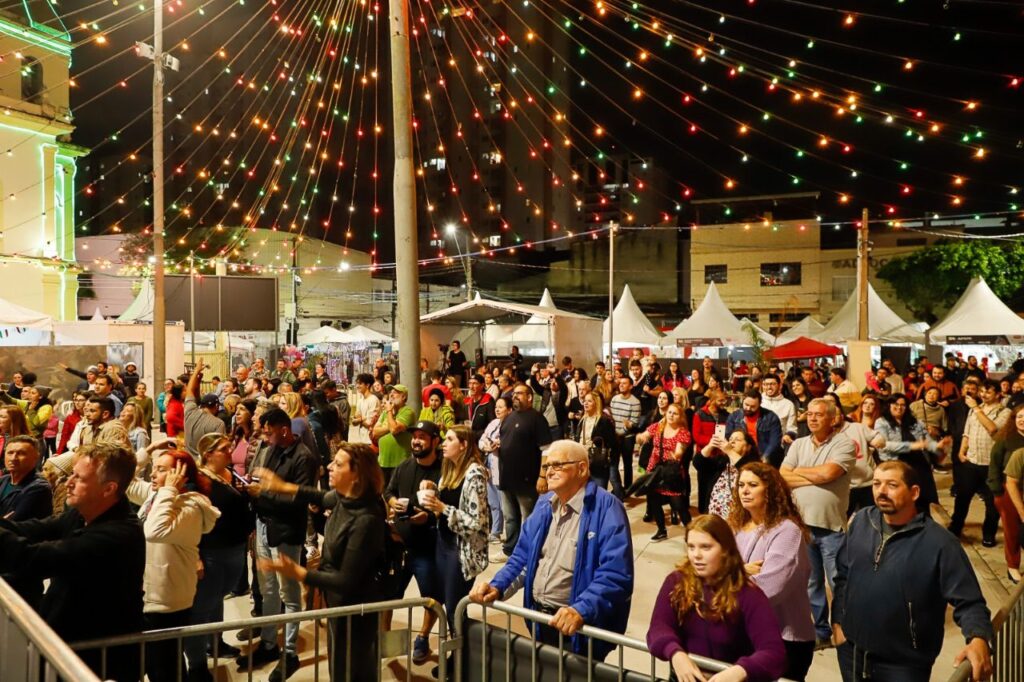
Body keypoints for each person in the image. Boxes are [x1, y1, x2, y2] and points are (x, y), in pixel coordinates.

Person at [470, 440, 633, 659]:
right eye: (547, 466)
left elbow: (615, 576)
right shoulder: (544, 504)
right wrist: (497, 586)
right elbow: (522, 558)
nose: (549, 472)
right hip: (539, 621)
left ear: (582, 468)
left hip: (579, 629)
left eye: (558, 465)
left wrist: (580, 610)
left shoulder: (608, 509)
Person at [832, 461, 994, 682]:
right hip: (852, 653)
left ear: (914, 492)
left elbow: (970, 602)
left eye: (892, 485)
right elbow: (842, 575)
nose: (881, 491)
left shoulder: (939, 543)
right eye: (877, 483)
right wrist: (838, 624)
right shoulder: (862, 521)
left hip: (903, 666)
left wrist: (978, 638)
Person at [0, 443, 145, 682]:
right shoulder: (82, 513)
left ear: (109, 489)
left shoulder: (118, 534)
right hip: (67, 645)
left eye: (79, 478)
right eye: (71, 475)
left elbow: (32, 558)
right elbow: (31, 529)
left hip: (95, 661)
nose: (68, 482)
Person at [255, 443, 387, 682]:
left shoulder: (366, 519)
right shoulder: (344, 497)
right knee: (338, 666)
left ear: (356, 475)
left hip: (356, 610)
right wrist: (282, 486)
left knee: (352, 671)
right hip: (338, 605)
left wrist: (297, 572)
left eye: (338, 464)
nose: (329, 467)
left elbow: (345, 580)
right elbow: (320, 496)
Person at [646, 514, 787, 682]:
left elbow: (773, 652)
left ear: (725, 550)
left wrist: (740, 671)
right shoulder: (676, 582)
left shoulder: (749, 595)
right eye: (691, 547)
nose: (696, 555)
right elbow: (658, 628)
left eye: (706, 547)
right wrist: (675, 654)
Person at [241, 407, 319, 677]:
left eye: (269, 431)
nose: (265, 436)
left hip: (285, 531)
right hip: (264, 524)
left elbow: (298, 500)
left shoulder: (304, 458)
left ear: (283, 430)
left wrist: (264, 493)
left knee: (289, 593)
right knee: (267, 588)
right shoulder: (271, 449)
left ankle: (289, 652)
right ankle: (268, 642)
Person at [780, 398, 856, 649]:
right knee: (811, 582)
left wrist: (800, 472)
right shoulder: (799, 443)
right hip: (802, 527)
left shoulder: (844, 444)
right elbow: (782, 476)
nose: (811, 418)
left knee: (838, 582)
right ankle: (821, 629)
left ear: (833, 419)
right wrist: (816, 477)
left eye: (818, 414)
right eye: (809, 414)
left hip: (831, 527)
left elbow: (829, 474)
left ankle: (844, 629)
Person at [139, 450, 219, 682]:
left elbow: (154, 531)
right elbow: (125, 482)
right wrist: (149, 453)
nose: (153, 474)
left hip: (168, 600)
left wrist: (169, 489)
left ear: (180, 475)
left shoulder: (189, 508)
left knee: (166, 669)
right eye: (154, 468)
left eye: (161, 469)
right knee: (158, 666)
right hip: (151, 596)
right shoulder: (157, 496)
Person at [730, 463, 816, 681]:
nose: (744, 491)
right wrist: (741, 571)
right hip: (746, 633)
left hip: (785, 639)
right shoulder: (738, 526)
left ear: (770, 490)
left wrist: (729, 576)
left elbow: (768, 589)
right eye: (741, 485)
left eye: (752, 485)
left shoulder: (787, 531)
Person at [185, 434, 256, 681]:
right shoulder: (199, 481)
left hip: (235, 548)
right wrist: (196, 557)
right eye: (224, 449)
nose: (230, 451)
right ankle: (196, 665)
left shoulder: (228, 475)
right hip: (212, 551)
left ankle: (214, 643)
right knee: (202, 607)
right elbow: (192, 521)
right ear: (208, 454)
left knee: (217, 600)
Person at [419, 425, 489, 642]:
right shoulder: (449, 470)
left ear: (464, 445)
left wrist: (442, 508)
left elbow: (476, 522)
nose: (443, 444)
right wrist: (433, 490)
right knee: (449, 606)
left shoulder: (475, 474)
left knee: (454, 608)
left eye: (450, 439)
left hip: (461, 551)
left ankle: (460, 661)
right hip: (444, 543)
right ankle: (457, 657)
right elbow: (449, 502)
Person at [383, 420, 444, 664]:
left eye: (422, 437)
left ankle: (422, 637)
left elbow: (448, 506)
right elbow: (388, 491)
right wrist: (392, 502)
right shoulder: (404, 466)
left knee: (431, 596)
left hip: (427, 546)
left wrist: (426, 517)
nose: (416, 441)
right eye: (414, 436)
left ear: (435, 441)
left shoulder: (444, 471)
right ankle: (387, 641)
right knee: (388, 596)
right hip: (398, 545)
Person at [950, 379, 1009, 547]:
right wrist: (962, 451)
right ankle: (955, 528)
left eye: (988, 392)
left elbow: (992, 429)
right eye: (981, 391)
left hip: (992, 465)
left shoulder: (1004, 412)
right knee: (962, 498)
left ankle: (988, 533)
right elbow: (967, 433)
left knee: (992, 503)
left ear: (998, 394)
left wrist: (975, 408)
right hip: (971, 461)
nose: (983, 395)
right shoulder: (975, 410)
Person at [496, 383, 552, 556]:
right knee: (510, 518)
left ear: (529, 397)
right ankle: (510, 550)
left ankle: (529, 551)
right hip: (507, 477)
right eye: (513, 394)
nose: (515, 397)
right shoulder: (509, 418)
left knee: (528, 519)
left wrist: (542, 476)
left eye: (519, 394)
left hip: (526, 479)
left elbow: (547, 450)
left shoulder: (537, 419)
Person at [875, 395, 947, 512]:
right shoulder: (881, 422)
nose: (899, 407)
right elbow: (884, 445)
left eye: (902, 405)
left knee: (922, 501)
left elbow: (927, 442)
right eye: (895, 404)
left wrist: (937, 446)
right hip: (897, 465)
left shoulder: (916, 422)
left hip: (919, 464)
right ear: (889, 406)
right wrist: (911, 446)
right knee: (903, 500)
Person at [637, 403, 693, 541]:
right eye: (669, 412)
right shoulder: (658, 426)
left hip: (670, 472)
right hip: (654, 470)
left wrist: (677, 454)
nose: (671, 415)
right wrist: (640, 437)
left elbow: (680, 451)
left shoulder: (683, 432)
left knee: (678, 504)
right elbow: (643, 436)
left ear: (681, 417)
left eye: (675, 413)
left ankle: (693, 532)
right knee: (654, 500)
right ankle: (661, 530)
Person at [988, 405, 1024, 583]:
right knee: (1012, 530)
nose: (1022, 420)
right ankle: (1013, 566)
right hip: (1008, 490)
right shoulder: (1005, 439)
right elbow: (994, 464)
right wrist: (997, 490)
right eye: (1019, 417)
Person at [700, 429, 760, 520]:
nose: (732, 441)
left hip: (739, 519)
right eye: (731, 439)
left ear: (748, 447)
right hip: (715, 517)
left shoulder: (754, 463)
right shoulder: (722, 461)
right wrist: (710, 445)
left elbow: (748, 469)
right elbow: (698, 463)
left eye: (737, 440)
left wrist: (729, 451)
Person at [691, 388, 730, 513]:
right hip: (705, 456)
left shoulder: (726, 415)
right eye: (720, 400)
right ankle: (703, 512)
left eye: (724, 400)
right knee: (703, 485)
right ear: (712, 400)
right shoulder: (699, 414)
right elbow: (697, 436)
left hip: (721, 456)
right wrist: (713, 441)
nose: (723, 403)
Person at [479, 396, 510, 541]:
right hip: (489, 463)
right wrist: (485, 446)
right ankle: (495, 531)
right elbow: (482, 439)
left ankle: (508, 533)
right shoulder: (493, 423)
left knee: (504, 503)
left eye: (501, 407)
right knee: (492, 502)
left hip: (503, 465)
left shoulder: (511, 424)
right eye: (496, 406)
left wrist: (500, 444)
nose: (497, 409)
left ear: (509, 410)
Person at [725, 390, 783, 467]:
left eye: (753, 406)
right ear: (743, 400)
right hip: (742, 454)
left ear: (760, 404)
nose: (748, 408)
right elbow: (728, 436)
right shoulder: (734, 416)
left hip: (763, 454)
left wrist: (765, 457)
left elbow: (774, 441)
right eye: (746, 405)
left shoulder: (771, 417)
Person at [572, 391, 616, 490]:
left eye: (589, 401)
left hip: (597, 463)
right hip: (582, 461)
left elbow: (612, 442)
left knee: (598, 493)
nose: (585, 403)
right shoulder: (582, 420)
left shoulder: (604, 421)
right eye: (584, 401)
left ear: (596, 403)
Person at [372, 384, 415, 484]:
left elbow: (394, 430)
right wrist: (390, 426)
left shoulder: (407, 411)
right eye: (390, 393)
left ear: (403, 397)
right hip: (383, 461)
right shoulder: (385, 413)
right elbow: (375, 432)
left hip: (400, 462)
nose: (391, 395)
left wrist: (389, 412)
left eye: (395, 393)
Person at [183, 360, 227, 458]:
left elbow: (189, 390)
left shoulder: (189, 412)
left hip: (188, 462)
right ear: (216, 406)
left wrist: (196, 372)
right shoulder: (218, 424)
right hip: (204, 466)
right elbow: (219, 449)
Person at [608, 376, 642, 499]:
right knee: (614, 463)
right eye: (620, 383)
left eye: (624, 383)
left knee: (627, 463)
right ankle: (618, 488)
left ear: (631, 386)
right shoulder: (615, 399)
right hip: (614, 436)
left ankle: (628, 488)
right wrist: (613, 434)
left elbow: (634, 422)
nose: (621, 385)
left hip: (627, 437)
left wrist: (621, 432)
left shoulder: (635, 402)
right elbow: (611, 418)